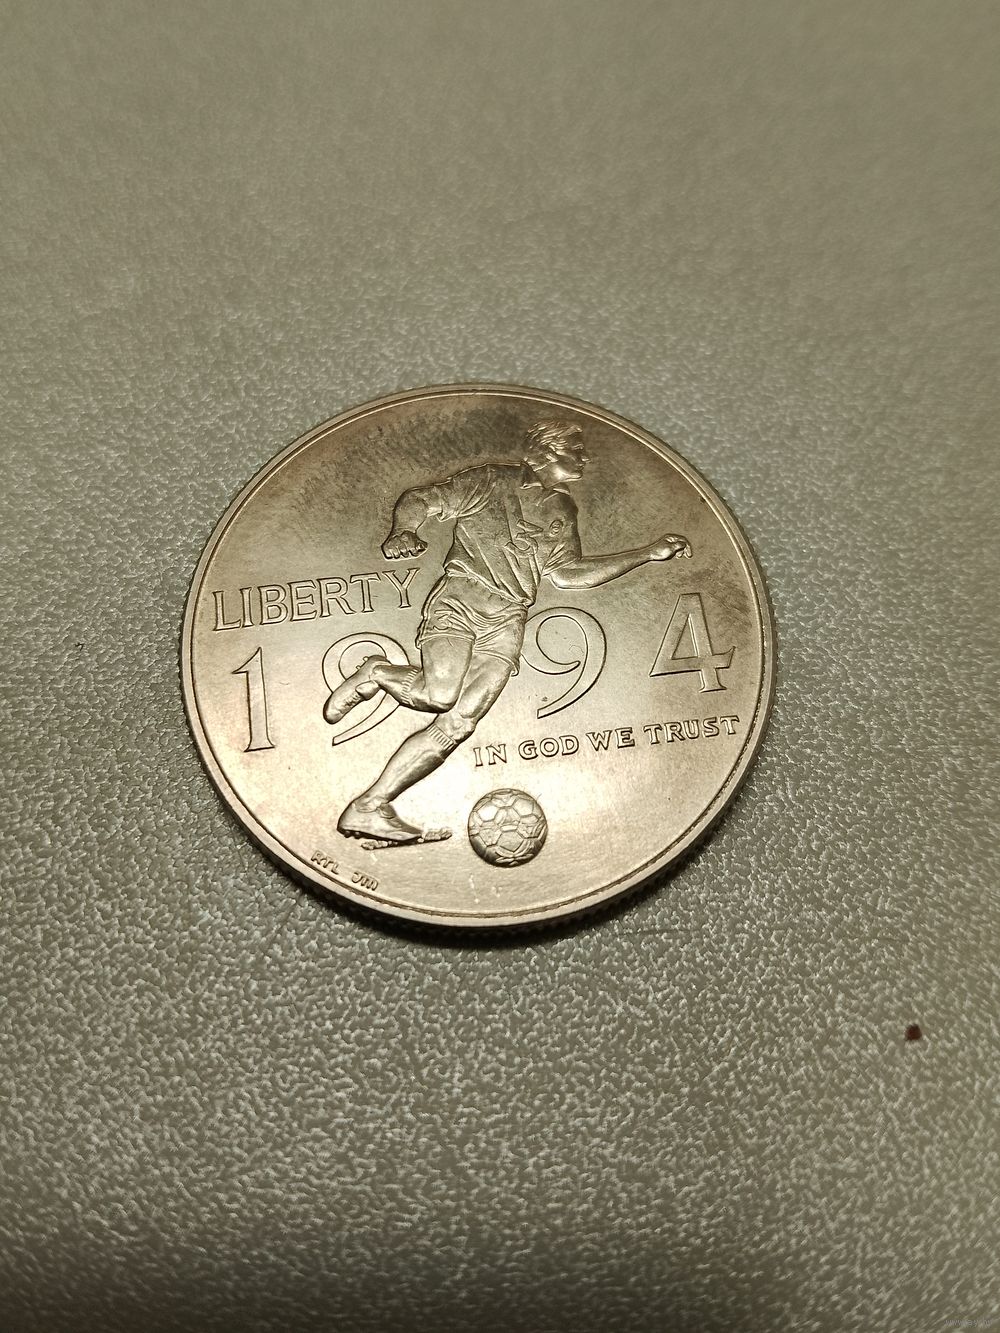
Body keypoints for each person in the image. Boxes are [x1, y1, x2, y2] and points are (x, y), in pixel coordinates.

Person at [323, 420, 691, 846]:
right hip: (462, 600)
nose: (586, 457)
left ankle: (370, 806)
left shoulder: (562, 509)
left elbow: (568, 575)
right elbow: (421, 499)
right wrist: (403, 530)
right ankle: (376, 672)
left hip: (509, 619)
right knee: (439, 696)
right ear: (547, 452)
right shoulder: (491, 480)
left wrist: (646, 554)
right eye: (576, 450)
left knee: (458, 723)